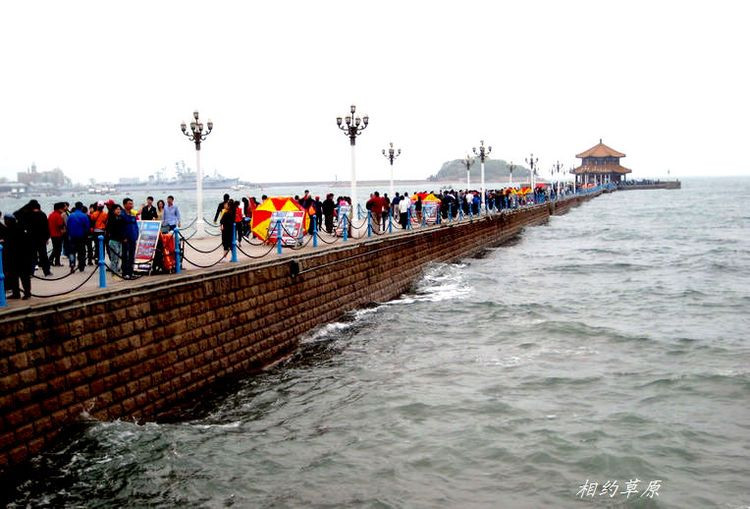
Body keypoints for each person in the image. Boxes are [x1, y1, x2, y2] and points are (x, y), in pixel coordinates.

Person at [2, 213, 33, 299]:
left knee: (15, 276)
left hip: (14, 257)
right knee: (23, 277)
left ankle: (18, 293)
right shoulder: (21, 229)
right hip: (23, 257)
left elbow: (8, 245)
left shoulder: (8, 231)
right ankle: (26, 293)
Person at [66, 202, 90, 273]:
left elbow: (68, 226)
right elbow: (87, 227)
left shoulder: (71, 216)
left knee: (72, 252)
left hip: (72, 237)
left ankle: (72, 264)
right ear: (82, 207)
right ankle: (81, 266)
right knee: (82, 252)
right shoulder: (84, 216)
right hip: (81, 237)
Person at [121, 198, 139, 279]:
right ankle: (125, 273)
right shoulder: (122, 214)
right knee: (126, 256)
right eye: (129, 203)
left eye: (132, 203)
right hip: (126, 239)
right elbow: (120, 227)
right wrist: (123, 237)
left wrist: (137, 235)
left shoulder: (132, 214)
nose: (131, 205)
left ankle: (131, 272)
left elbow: (135, 225)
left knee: (132, 256)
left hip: (133, 238)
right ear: (124, 205)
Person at [106, 204, 125, 274]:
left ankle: (116, 270)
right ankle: (114, 272)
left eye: (119, 209)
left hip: (120, 240)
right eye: (117, 209)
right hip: (113, 240)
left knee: (118, 257)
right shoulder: (111, 219)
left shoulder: (120, 218)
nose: (119, 210)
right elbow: (109, 230)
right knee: (114, 257)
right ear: (113, 210)